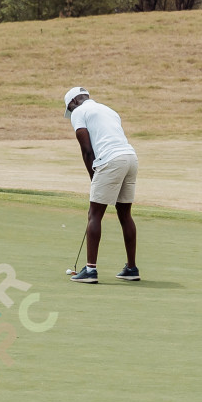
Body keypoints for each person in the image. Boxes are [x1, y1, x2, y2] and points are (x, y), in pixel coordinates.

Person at [64, 87, 139, 282]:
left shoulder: (79, 112)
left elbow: (87, 150)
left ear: (73, 102)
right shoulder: (109, 110)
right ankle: (131, 268)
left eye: (69, 109)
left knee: (94, 213)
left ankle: (90, 271)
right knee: (125, 214)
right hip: (130, 158)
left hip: (111, 160)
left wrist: (93, 176)